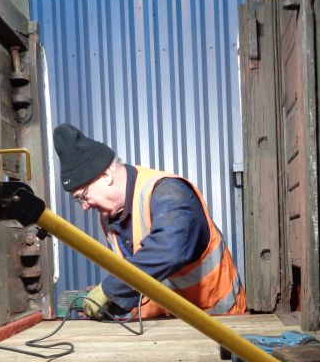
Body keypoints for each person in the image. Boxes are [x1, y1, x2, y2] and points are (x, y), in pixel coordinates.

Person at [53, 123, 247, 319]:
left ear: (106, 175)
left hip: (220, 324)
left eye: (83, 196)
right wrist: (113, 304)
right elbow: (144, 275)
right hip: (168, 327)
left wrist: (109, 290)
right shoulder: (109, 219)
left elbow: (168, 251)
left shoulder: (169, 192)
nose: (85, 206)